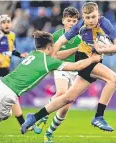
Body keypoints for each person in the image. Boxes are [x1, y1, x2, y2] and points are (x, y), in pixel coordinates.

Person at [21, 2, 116, 134]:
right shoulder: (80, 25)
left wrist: (104, 48)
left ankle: (34, 117)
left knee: (68, 98)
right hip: (84, 58)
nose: (90, 21)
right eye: (87, 18)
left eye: (93, 17)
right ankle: (99, 116)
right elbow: (60, 41)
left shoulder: (104, 23)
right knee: (114, 79)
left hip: (93, 59)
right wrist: (51, 58)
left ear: (98, 14)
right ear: (83, 17)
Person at [0, 30, 101, 135]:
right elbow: (77, 66)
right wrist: (93, 58)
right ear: (50, 46)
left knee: (6, 113)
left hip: (0, 84)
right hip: (6, 93)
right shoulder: (48, 60)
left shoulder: (33, 53)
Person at [33, 7, 81, 143]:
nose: (72, 23)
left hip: (77, 72)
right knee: (61, 93)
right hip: (61, 69)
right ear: (63, 21)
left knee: (65, 107)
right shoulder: (56, 36)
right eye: (69, 20)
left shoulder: (81, 37)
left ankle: (49, 133)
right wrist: (75, 50)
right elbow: (54, 56)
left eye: (74, 21)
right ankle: (42, 117)